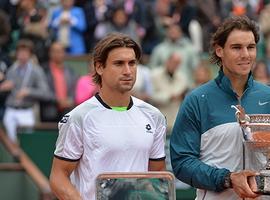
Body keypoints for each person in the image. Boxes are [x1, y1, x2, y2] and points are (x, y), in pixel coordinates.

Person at [49, 33, 167, 200]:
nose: (128, 71)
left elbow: (157, 175)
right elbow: (58, 177)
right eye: (119, 64)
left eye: (132, 63)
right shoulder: (78, 118)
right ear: (99, 67)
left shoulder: (154, 116)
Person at [170, 15, 270, 199]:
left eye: (251, 47)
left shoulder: (268, 96)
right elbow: (182, 161)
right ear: (219, 50)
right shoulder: (197, 99)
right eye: (236, 48)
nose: (246, 54)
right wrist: (227, 178)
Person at [0, 39, 50, 143]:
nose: (22, 55)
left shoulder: (36, 71)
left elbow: (45, 93)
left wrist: (29, 91)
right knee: (10, 142)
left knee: (27, 141)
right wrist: (4, 87)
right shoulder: (11, 70)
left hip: (26, 110)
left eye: (25, 52)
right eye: (20, 52)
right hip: (11, 109)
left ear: (30, 54)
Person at [40, 42, 77, 122]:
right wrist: (58, 100)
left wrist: (70, 100)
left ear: (64, 53)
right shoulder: (43, 70)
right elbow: (43, 91)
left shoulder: (70, 71)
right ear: (50, 53)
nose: (57, 54)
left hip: (68, 112)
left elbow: (74, 89)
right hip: (49, 112)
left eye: (60, 51)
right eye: (55, 51)